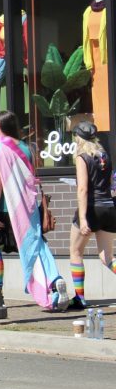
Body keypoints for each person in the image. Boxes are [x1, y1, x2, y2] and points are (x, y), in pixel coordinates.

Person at [0, 110, 69, 311]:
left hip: (7, 208)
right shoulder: (26, 148)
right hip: (28, 208)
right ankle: (54, 282)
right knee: (36, 245)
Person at [67, 121, 116, 309]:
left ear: (78, 137)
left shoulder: (82, 157)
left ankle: (80, 298)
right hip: (109, 208)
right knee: (107, 258)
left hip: (91, 208)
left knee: (76, 252)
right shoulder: (105, 156)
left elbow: (82, 189)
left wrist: (82, 218)